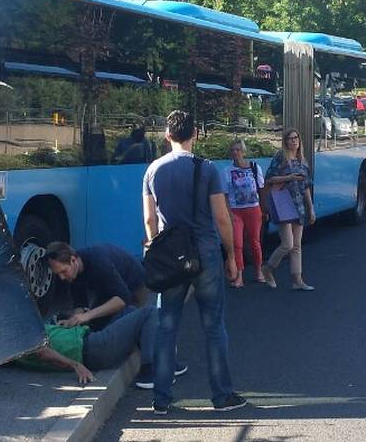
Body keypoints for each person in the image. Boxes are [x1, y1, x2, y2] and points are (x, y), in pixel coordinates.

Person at [142, 110, 246, 415]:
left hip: (171, 259)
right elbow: (222, 219)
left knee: (166, 326)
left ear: (166, 135)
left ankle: (161, 399)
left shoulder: (152, 171)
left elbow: (149, 220)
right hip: (205, 253)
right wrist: (231, 256)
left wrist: (155, 247)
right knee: (214, 326)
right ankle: (222, 396)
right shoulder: (208, 169)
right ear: (195, 134)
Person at [14, 305, 187, 389]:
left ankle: (167, 362)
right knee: (149, 312)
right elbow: (42, 352)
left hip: (91, 342)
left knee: (128, 311)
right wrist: (76, 365)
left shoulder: (14, 331)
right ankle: (150, 372)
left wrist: (65, 324)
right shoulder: (16, 333)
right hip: (94, 348)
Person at [260, 128, 316, 291]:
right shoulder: (280, 158)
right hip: (284, 203)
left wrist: (311, 208)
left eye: (296, 138)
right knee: (287, 244)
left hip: (298, 205)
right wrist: (288, 178)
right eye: (291, 139)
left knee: (297, 246)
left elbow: (305, 186)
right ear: (285, 142)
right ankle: (267, 268)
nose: (294, 141)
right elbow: (269, 179)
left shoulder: (302, 161)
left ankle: (297, 280)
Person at [45, 242, 148, 329]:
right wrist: (71, 321)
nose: (62, 278)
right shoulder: (73, 274)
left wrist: (87, 316)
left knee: (128, 329)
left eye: (63, 271)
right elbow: (80, 306)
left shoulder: (98, 262)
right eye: (58, 274)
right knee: (95, 325)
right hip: (108, 288)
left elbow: (123, 299)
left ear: (73, 260)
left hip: (135, 285)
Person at [221, 139, 266, 287]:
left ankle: (259, 270)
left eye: (238, 149)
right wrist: (229, 213)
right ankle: (239, 275)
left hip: (253, 209)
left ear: (243, 151)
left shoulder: (254, 167)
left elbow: (261, 189)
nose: (235, 152)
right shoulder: (227, 172)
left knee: (254, 242)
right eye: (233, 150)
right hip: (236, 211)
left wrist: (264, 209)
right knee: (237, 243)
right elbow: (225, 196)